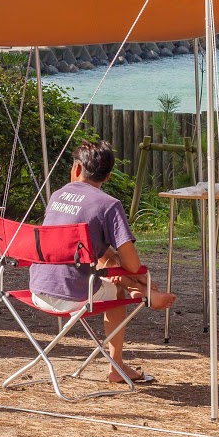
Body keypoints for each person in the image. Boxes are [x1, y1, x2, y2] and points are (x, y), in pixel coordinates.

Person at [27, 140, 175, 384]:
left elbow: (99, 252)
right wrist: (136, 276)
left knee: (106, 257)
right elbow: (133, 264)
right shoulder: (108, 205)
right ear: (106, 177)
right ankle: (117, 366)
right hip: (72, 295)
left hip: (38, 290)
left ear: (76, 169)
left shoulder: (56, 196)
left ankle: (144, 290)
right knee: (116, 289)